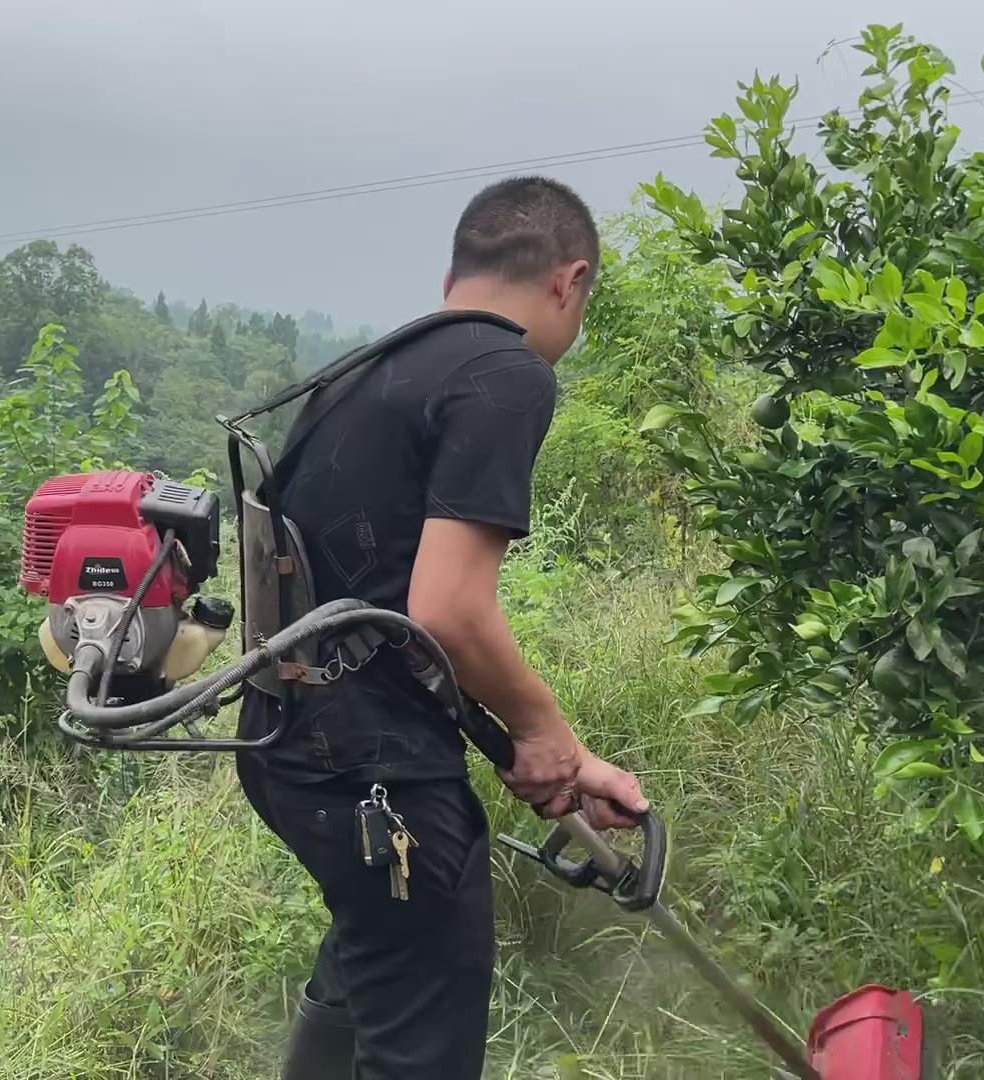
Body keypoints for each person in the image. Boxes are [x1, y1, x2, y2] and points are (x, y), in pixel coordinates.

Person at [235, 175, 650, 1079]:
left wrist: (556, 761)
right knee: (421, 1043)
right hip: (374, 776)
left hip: (287, 750)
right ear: (568, 280)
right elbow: (448, 611)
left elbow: (377, 609)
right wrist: (547, 733)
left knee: (369, 970)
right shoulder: (506, 375)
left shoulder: (365, 372)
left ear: (459, 268)